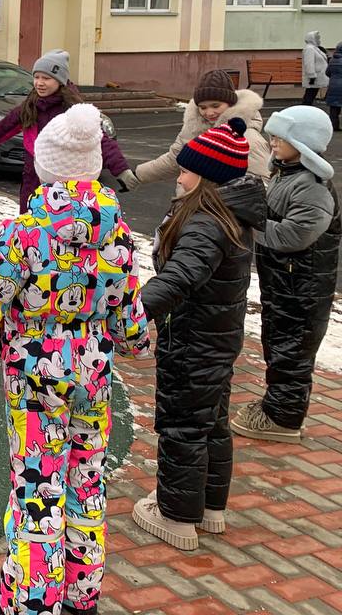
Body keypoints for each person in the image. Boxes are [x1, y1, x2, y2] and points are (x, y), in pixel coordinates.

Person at [0, 104, 149, 615]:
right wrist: (137, 343)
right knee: (86, 482)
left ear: (45, 167)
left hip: (36, 383)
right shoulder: (118, 234)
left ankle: (31, 600)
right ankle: (81, 595)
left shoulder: (22, 233)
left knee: (39, 492)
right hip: (93, 378)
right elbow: (128, 318)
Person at [132, 120, 266, 552]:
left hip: (192, 343)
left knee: (183, 426)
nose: (179, 174)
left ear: (208, 178)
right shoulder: (227, 215)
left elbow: (180, 277)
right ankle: (209, 509)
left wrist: (130, 313)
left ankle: (176, 517)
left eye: (187, 170)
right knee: (210, 422)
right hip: (216, 340)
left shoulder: (207, 223)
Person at [232, 106, 340, 444]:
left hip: (302, 289)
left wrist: (248, 220)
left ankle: (284, 419)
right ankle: (276, 406)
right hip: (284, 284)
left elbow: (292, 236)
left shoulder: (312, 187)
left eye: (281, 137)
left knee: (292, 351)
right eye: (273, 135)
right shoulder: (287, 173)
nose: (273, 141)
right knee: (278, 344)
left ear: (304, 142)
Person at [0, 50, 131, 212]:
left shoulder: (73, 109)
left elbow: (102, 141)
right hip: (32, 182)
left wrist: (121, 170)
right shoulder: (30, 106)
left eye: (46, 78)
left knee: (59, 230)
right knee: (29, 228)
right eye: (36, 77)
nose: (39, 83)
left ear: (60, 81)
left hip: (64, 188)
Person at [121, 70, 270, 189]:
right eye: (203, 107)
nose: (209, 113)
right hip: (191, 205)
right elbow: (174, 160)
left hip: (220, 211)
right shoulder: (194, 128)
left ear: (230, 103)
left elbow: (260, 184)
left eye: (216, 106)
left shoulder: (247, 138)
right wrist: (138, 175)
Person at [302, 30, 329, 106]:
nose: (318, 39)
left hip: (318, 76)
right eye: (317, 38)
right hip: (314, 77)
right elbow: (309, 63)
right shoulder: (309, 49)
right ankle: (305, 108)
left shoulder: (315, 48)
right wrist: (312, 76)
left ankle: (306, 108)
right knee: (309, 95)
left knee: (311, 94)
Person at [325, 42, 342, 131]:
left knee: (334, 108)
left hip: (333, 86)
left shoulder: (332, 60)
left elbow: (327, 72)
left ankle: (334, 126)